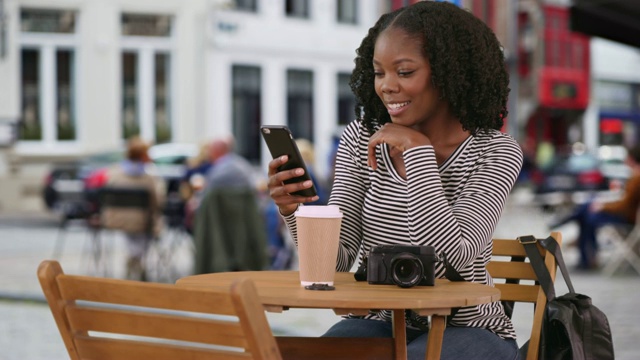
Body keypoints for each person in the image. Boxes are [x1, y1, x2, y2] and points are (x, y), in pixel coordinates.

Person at [265, 2, 523, 359]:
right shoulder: (360, 138)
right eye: (378, 72)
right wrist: (296, 211)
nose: (386, 87)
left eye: (404, 72)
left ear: (448, 73)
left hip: (469, 328)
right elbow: (336, 262)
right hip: (383, 321)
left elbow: (456, 255)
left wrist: (418, 153)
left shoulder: (494, 151)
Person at [549, 144, 640, 270]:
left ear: (632, 159)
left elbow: (625, 205)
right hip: (628, 216)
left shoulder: (636, 177)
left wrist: (603, 206)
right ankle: (587, 257)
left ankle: (584, 256)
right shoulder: (635, 176)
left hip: (628, 219)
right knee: (588, 210)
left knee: (587, 214)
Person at [102, 136, 166, 280]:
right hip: (142, 222)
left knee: (134, 237)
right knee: (149, 228)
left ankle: (134, 260)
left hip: (116, 220)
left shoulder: (113, 173)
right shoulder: (149, 178)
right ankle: (136, 261)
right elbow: (157, 202)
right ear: (143, 156)